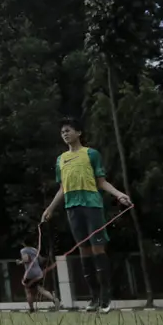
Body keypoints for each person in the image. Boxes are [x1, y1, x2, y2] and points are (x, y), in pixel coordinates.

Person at [41, 117, 131, 314]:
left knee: (98, 249)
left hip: (91, 206)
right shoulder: (61, 160)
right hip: (72, 208)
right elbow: (62, 188)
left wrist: (119, 194)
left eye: (68, 130)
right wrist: (50, 208)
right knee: (84, 251)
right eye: (62, 131)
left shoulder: (91, 154)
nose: (65, 133)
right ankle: (94, 296)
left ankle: (106, 298)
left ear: (79, 133)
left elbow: (101, 182)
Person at [19, 246, 60, 312]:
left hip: (30, 274)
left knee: (28, 291)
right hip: (38, 273)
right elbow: (40, 260)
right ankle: (54, 299)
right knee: (41, 289)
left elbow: (27, 259)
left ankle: (31, 309)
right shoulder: (34, 250)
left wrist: (20, 262)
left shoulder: (23, 250)